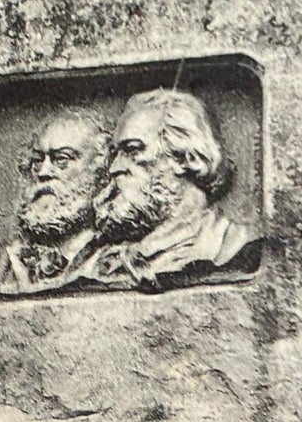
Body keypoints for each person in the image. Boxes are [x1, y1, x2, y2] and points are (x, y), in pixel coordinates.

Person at [83, 88, 260, 290]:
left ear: (185, 158)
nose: (115, 168)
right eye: (116, 155)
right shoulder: (103, 263)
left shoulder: (234, 246)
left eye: (132, 150)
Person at [0, 107, 109, 294]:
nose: (43, 172)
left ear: (101, 171)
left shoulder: (113, 259)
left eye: (61, 159)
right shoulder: (7, 260)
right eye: (37, 160)